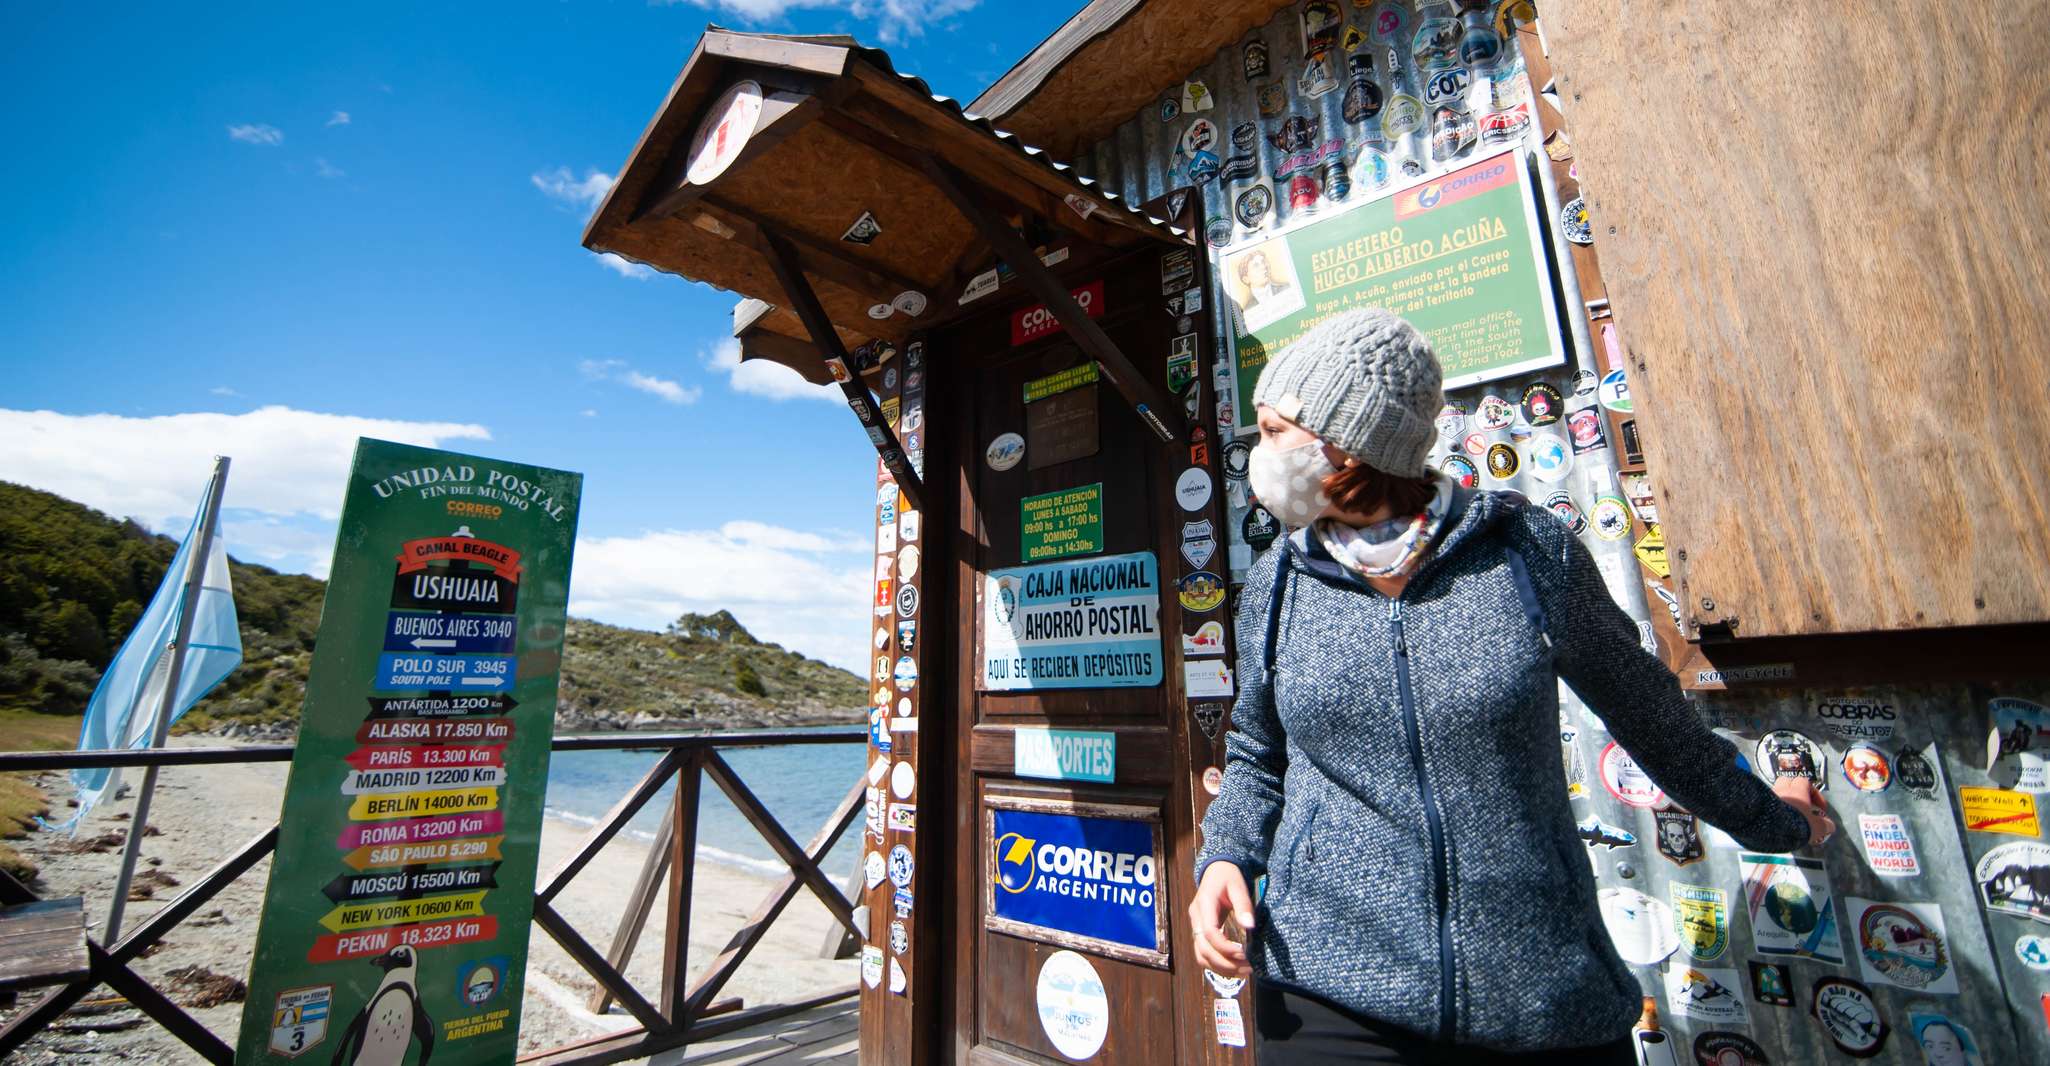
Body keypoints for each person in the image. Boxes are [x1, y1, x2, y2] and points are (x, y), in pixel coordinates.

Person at [1187, 308, 1834, 1064]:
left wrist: (1775, 822)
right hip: (1326, 991)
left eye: (1274, 432)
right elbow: (1259, 753)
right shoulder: (1279, 581)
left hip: (1538, 990)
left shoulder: (1528, 555)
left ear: (1352, 443)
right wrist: (1226, 858)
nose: (1259, 455)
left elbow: (1653, 720)